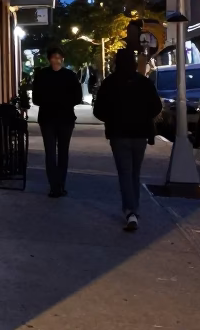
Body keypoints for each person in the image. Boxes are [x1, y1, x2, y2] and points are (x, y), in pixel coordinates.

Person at [92, 47, 163, 232]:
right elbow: (156, 106)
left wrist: (112, 119)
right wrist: (143, 116)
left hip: (119, 134)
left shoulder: (110, 83)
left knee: (125, 172)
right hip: (140, 134)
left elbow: (98, 110)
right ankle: (134, 209)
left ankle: (130, 211)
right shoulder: (144, 83)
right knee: (135, 173)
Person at [32, 46, 84, 197]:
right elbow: (36, 98)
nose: (56, 60)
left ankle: (60, 184)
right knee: (50, 153)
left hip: (65, 119)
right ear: (49, 59)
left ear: (62, 59)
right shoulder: (42, 75)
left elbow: (77, 97)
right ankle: (54, 185)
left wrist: (58, 102)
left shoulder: (70, 76)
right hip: (48, 119)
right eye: (54, 57)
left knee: (62, 152)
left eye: (59, 57)